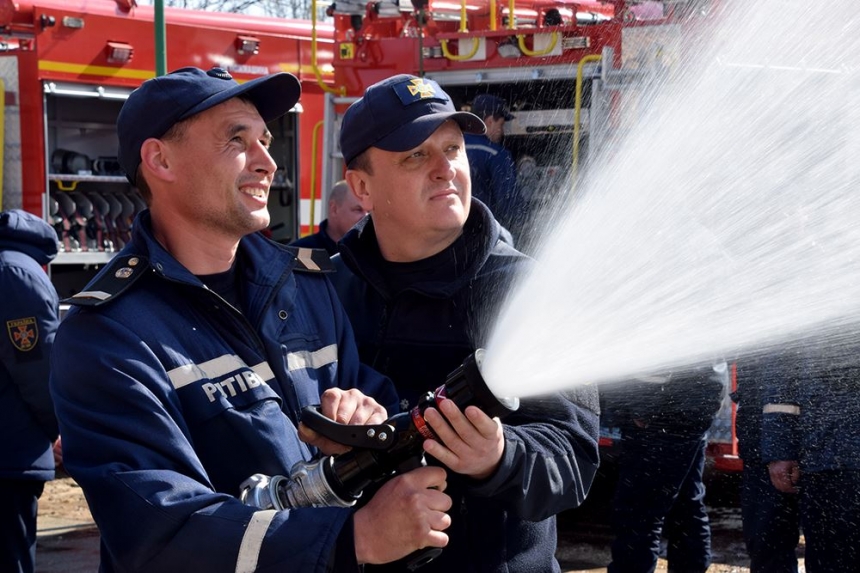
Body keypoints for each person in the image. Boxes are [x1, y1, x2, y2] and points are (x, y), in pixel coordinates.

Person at [48, 66, 456, 572]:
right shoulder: (106, 336)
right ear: (160, 159)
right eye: (236, 140)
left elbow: (381, 410)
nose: (267, 162)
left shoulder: (306, 287)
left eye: (264, 140)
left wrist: (365, 422)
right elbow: (161, 531)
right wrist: (352, 540)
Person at [332, 73, 601, 572]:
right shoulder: (321, 287)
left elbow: (574, 459)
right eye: (415, 154)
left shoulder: (529, 291)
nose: (444, 169)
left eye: (453, 149)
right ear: (362, 187)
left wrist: (499, 457)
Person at [602, 363, 726, 573]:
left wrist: (642, 410)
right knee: (685, 504)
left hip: (664, 415)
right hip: (684, 410)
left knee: (638, 511)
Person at [762, 341, 860, 572]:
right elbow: (780, 387)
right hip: (828, 457)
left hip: (830, 451)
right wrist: (780, 451)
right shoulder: (805, 316)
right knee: (831, 555)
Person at [0, 209, 61, 573]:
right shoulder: (16, 274)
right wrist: (61, 427)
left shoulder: (11, 270)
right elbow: (38, 369)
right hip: (11, 454)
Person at [733, 358, 800, 572]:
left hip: (772, 449)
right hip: (762, 447)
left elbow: (781, 388)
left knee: (770, 542)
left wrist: (778, 451)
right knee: (765, 541)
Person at [464, 93, 522, 242]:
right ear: (489, 121)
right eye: (501, 124)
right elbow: (509, 203)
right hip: (485, 237)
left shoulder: (452, 148)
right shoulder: (497, 154)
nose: (502, 131)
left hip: (454, 236)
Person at [290, 179, 367, 255]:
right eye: (358, 210)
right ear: (334, 209)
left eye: (369, 212)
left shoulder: (371, 255)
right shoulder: (299, 254)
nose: (365, 217)